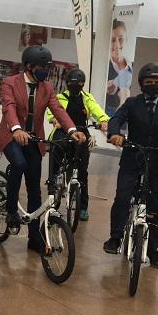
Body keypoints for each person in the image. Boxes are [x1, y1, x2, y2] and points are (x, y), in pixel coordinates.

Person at [0, 46, 86, 253]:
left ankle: (35, 237)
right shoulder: (11, 83)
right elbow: (8, 107)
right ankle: (10, 210)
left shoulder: (47, 87)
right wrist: (16, 129)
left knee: (35, 187)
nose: (45, 70)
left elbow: (57, 110)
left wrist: (72, 130)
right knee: (19, 164)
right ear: (29, 66)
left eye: (48, 67)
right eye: (42, 67)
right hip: (12, 136)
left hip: (34, 139)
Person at [103, 63, 158, 269]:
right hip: (133, 157)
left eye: (157, 82)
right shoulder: (132, 103)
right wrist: (115, 134)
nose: (153, 85)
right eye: (149, 82)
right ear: (141, 83)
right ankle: (115, 237)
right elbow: (117, 118)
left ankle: (153, 250)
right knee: (122, 197)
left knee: (156, 207)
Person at [46, 68, 109, 220]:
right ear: (67, 84)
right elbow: (52, 112)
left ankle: (83, 207)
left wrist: (103, 120)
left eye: (79, 84)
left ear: (83, 85)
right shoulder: (60, 97)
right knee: (57, 147)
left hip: (81, 132)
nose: (76, 86)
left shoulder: (87, 98)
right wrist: (55, 120)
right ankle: (53, 178)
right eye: (73, 84)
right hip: (63, 130)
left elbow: (96, 109)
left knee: (82, 171)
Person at [106, 19, 133, 117]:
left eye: (120, 39)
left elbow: (124, 94)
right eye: (113, 40)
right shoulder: (102, 66)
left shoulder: (131, 66)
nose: (117, 45)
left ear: (127, 39)